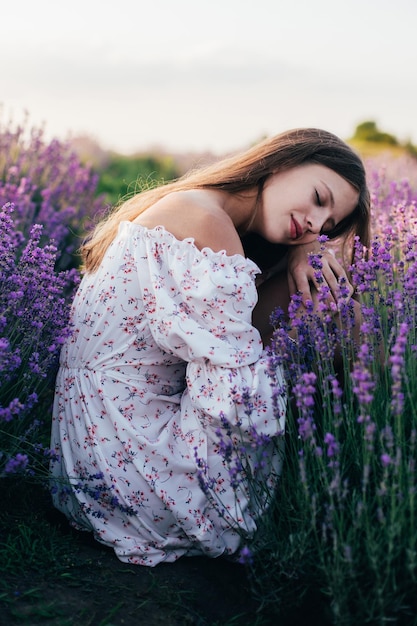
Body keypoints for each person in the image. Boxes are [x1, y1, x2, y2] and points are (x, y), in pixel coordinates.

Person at [50, 128, 370, 566]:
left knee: (328, 300)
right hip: (135, 474)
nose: (315, 223)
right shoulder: (206, 222)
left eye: (327, 226)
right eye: (318, 197)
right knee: (343, 312)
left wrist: (305, 251)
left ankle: (367, 457)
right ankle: (369, 466)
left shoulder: (197, 204)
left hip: (87, 462)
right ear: (282, 160)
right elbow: (237, 399)